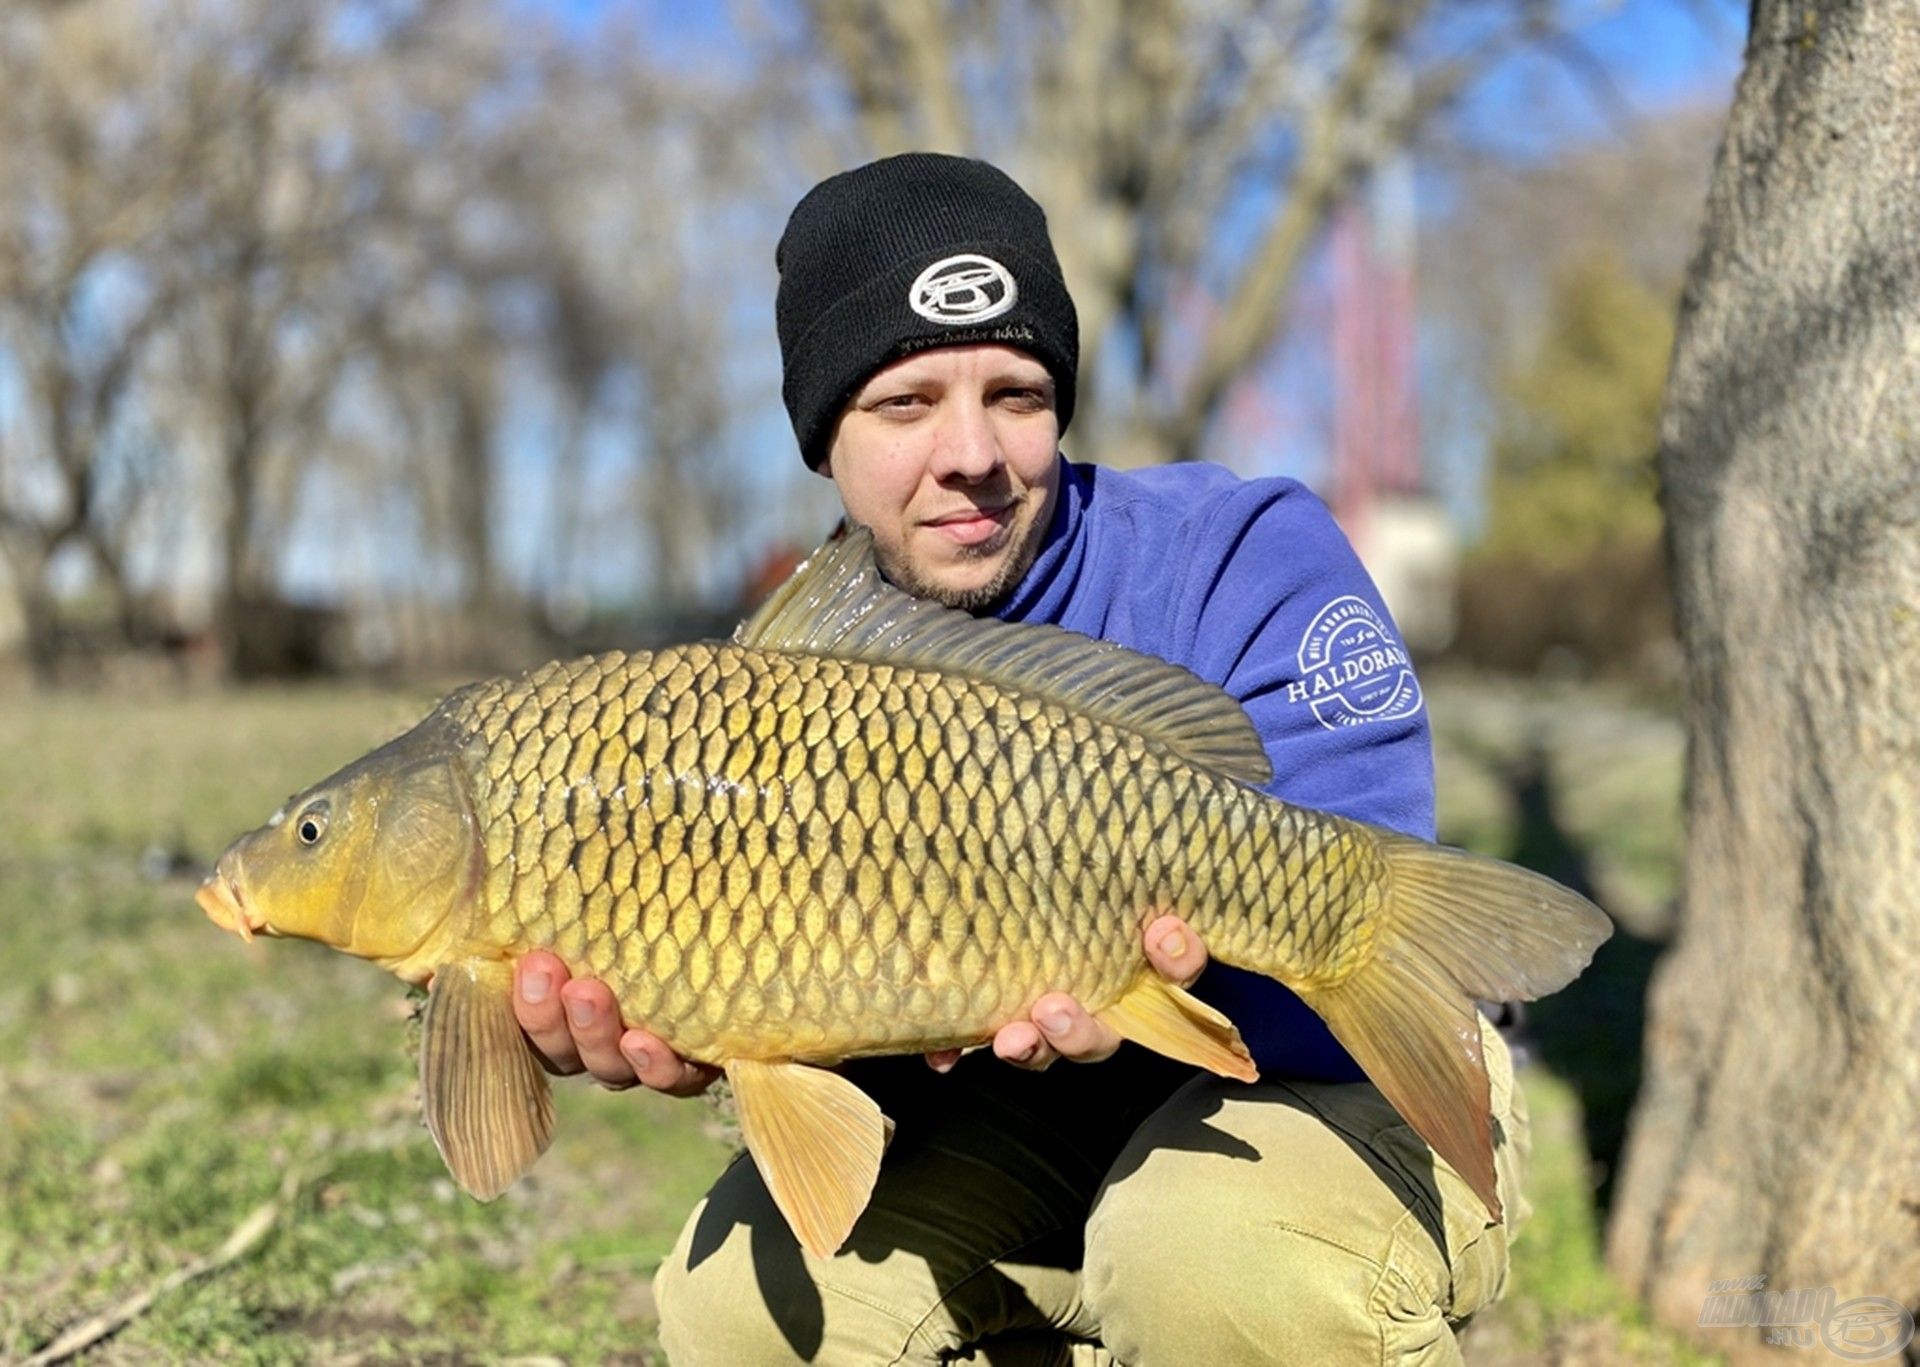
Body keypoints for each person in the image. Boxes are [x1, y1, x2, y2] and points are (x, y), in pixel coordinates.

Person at [511, 153, 1529, 1365]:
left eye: (1018, 392)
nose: (973, 452)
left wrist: (1159, 983)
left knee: (1201, 1255)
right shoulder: (778, 672)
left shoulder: (1240, 554)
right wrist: (715, 1015)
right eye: (904, 404)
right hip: (1009, 1110)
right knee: (739, 1307)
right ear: (822, 433)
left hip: (1318, 1068)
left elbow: (1367, 973)